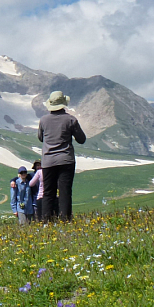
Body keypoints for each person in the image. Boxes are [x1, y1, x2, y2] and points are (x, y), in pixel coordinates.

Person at [38, 91, 86, 222]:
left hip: (48, 161)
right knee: (65, 191)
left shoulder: (43, 120)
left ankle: (46, 221)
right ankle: (65, 220)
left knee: (48, 192)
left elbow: (40, 138)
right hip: (66, 159)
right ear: (63, 104)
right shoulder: (71, 120)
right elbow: (81, 139)